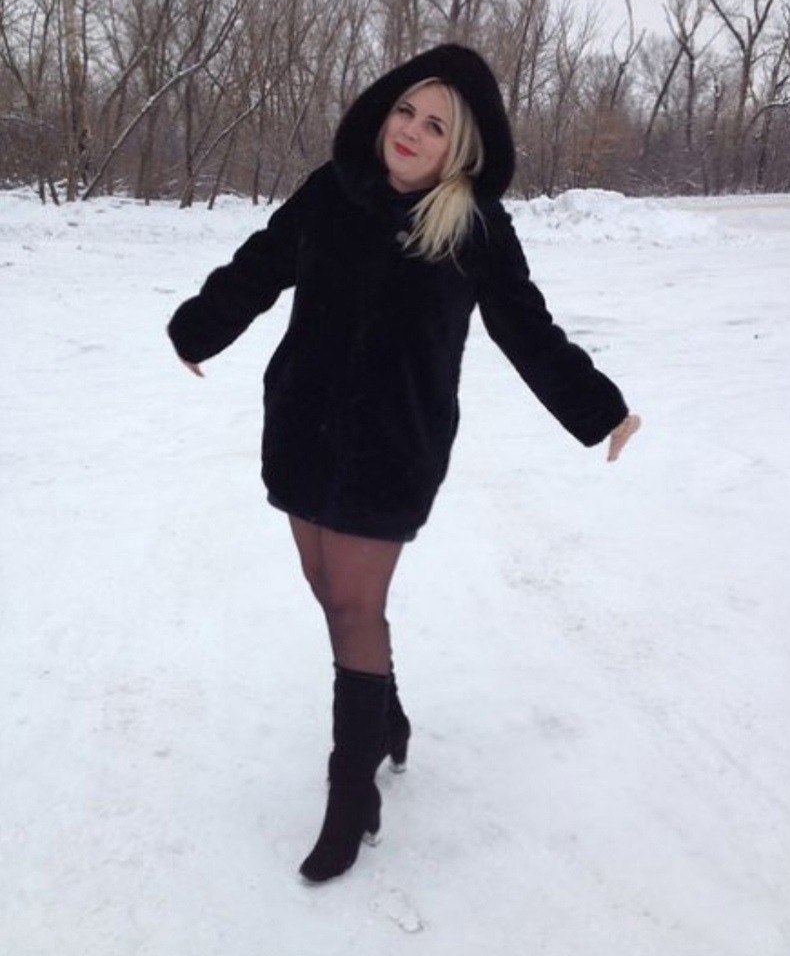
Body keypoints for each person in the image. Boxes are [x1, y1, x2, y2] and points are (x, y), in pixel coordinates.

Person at [167, 44, 641, 885]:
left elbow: (526, 329)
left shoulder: (473, 228)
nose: (412, 133)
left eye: (436, 126)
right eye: (405, 112)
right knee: (326, 589)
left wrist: (599, 409)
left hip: (393, 443)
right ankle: (383, 716)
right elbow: (261, 263)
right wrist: (198, 329)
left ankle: (351, 794)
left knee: (356, 604)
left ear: (462, 148)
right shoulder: (332, 190)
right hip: (303, 424)